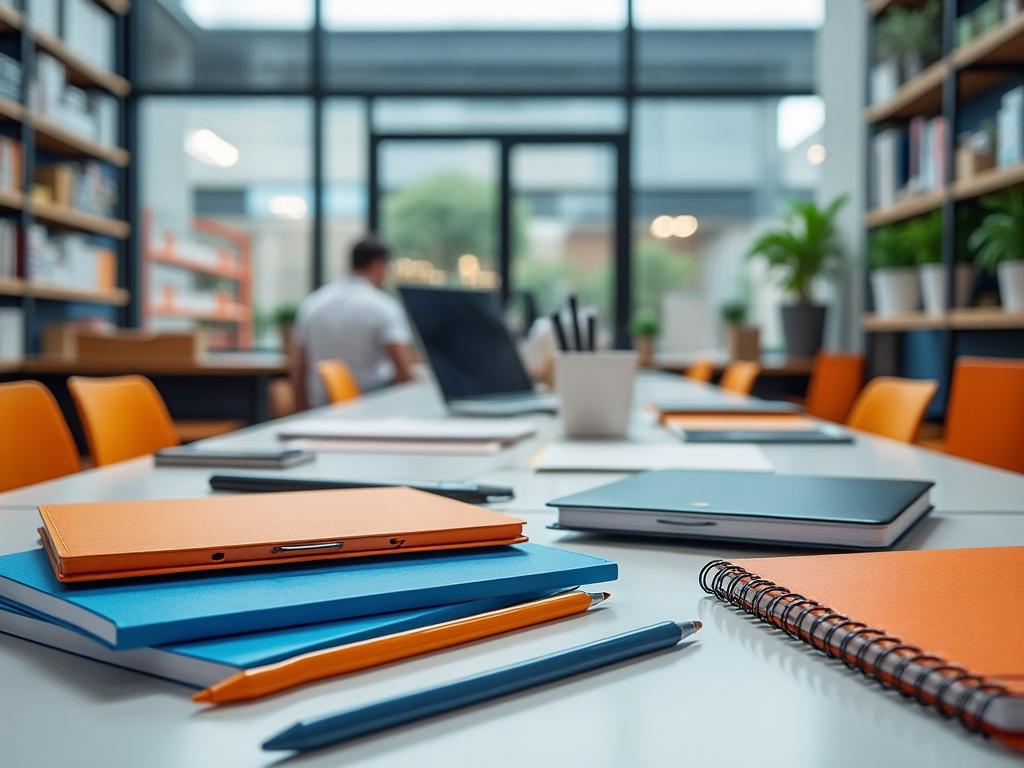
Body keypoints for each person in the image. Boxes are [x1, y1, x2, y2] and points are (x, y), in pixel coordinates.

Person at [290, 236, 414, 409]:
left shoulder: (313, 303)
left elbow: (298, 367)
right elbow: (404, 371)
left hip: (321, 406)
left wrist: (300, 414)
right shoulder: (382, 306)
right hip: (371, 405)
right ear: (378, 264)